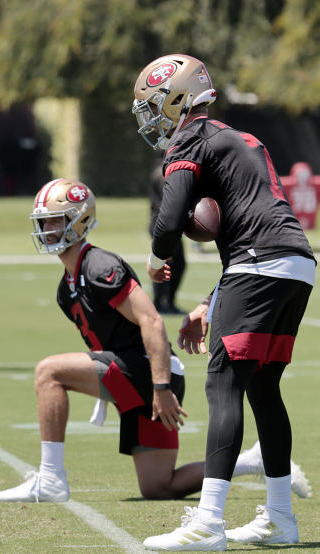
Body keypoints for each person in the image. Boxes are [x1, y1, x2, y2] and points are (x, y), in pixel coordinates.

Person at [0, 179, 308, 504]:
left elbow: (151, 320)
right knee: (159, 486)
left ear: (80, 220)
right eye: (43, 221)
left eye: (55, 220)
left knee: (49, 372)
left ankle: (51, 478)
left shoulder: (100, 267)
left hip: (149, 376)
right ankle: (250, 462)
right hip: (138, 378)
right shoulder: (66, 288)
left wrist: (161, 387)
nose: (47, 228)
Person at [133, 54, 315, 550]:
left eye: (156, 106)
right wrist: (208, 305)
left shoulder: (191, 137)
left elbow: (169, 222)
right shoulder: (243, 139)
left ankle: (208, 522)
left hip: (257, 265)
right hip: (295, 263)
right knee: (263, 389)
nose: (155, 118)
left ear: (177, 97)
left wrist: (155, 259)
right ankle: (279, 519)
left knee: (224, 385)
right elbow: (257, 228)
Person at [148, 161, 186, 314]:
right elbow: (171, 203)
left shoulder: (159, 171)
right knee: (164, 264)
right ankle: (160, 303)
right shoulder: (165, 174)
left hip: (162, 224)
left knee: (178, 264)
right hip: (164, 225)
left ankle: (167, 302)